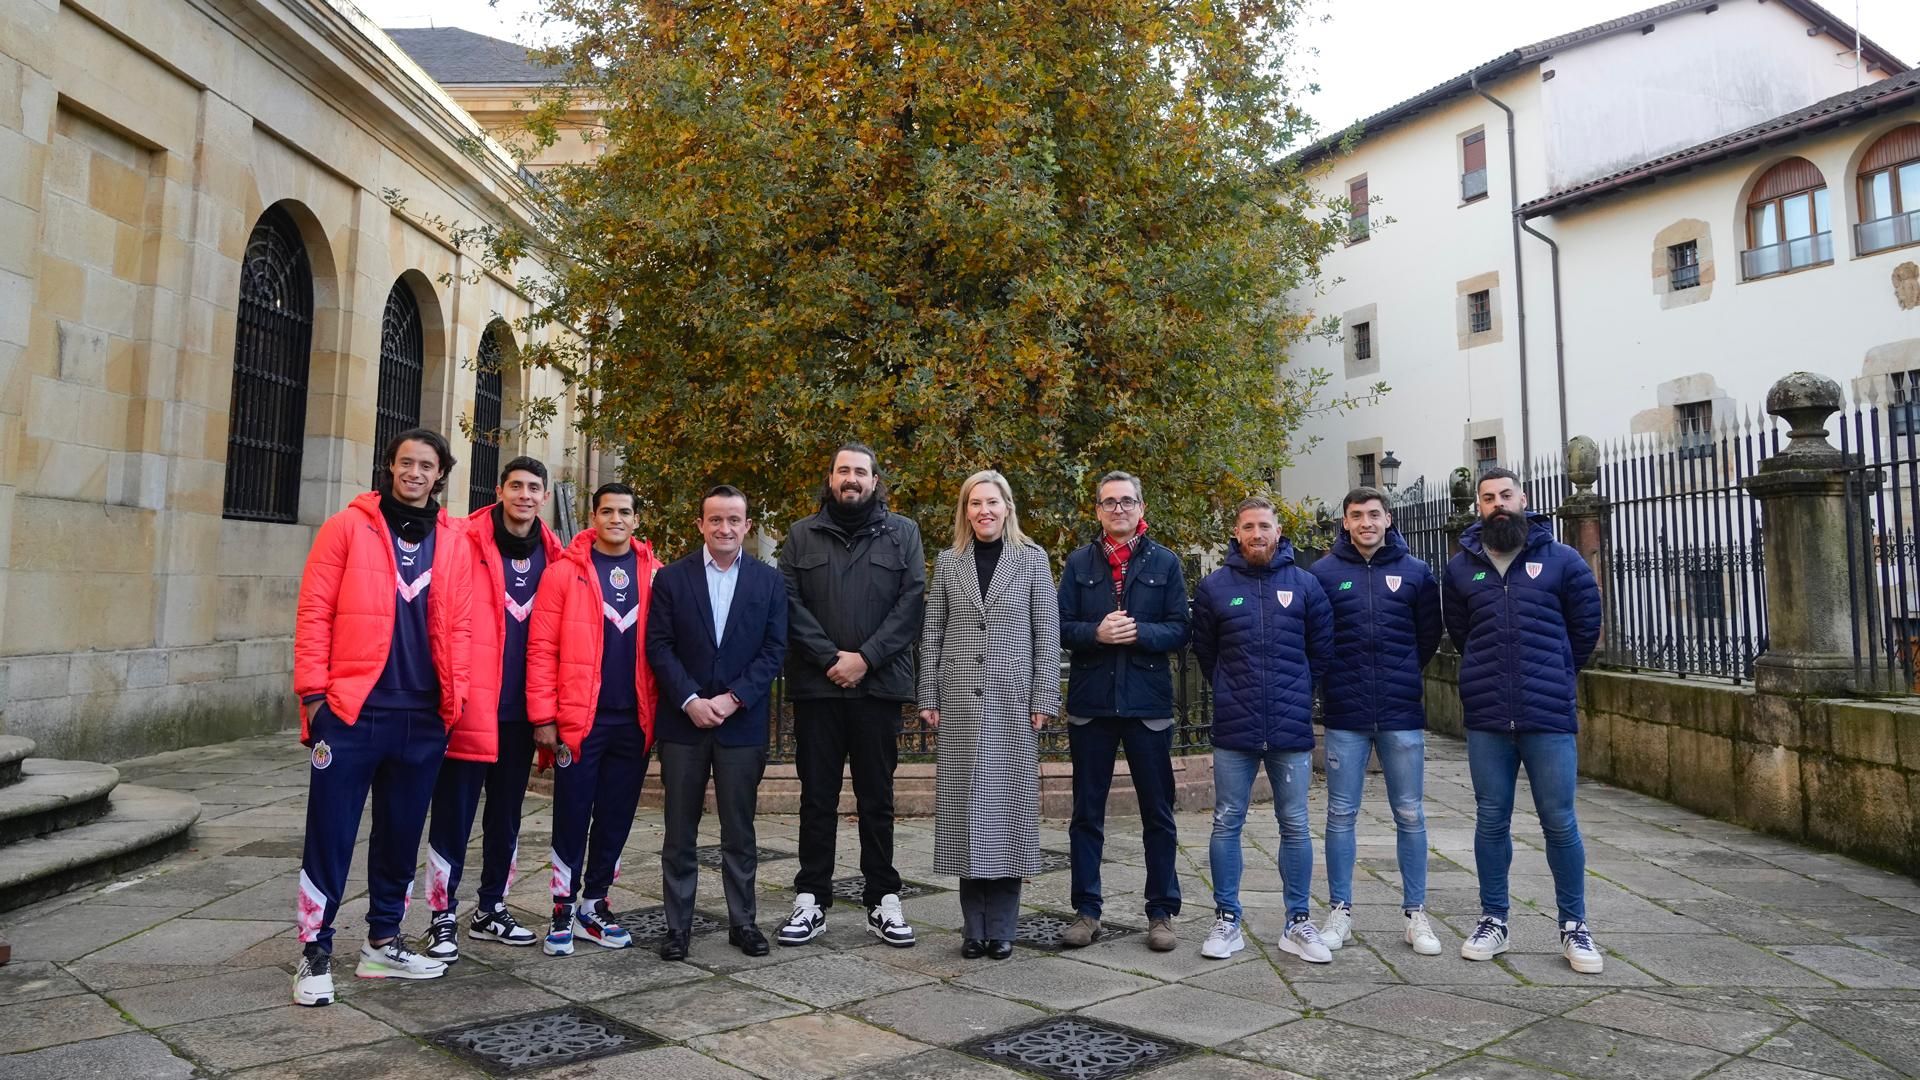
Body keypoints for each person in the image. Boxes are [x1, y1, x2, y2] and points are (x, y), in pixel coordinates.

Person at [290, 428, 472, 1006]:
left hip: (423, 716)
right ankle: (315, 953)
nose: (415, 473)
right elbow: (315, 609)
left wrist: (456, 700)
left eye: (427, 465)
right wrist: (314, 695)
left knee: (399, 835)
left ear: (440, 474)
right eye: (406, 463)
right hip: (352, 712)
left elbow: (462, 625)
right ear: (390, 467)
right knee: (331, 831)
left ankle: (382, 944)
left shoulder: (453, 539)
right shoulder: (347, 527)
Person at [1444, 467, 1605, 974]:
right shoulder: (1460, 568)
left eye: (1505, 495)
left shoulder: (1562, 561)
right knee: (1491, 820)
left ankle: (1574, 926)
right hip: (1489, 717)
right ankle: (1494, 919)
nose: (1497, 504)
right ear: (1479, 506)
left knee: (1559, 822)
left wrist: (1553, 671)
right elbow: (1462, 633)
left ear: (1524, 499)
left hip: (1548, 715)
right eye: (1488, 498)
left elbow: (1585, 629)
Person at [777, 444, 925, 948]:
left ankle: (882, 899)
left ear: (875, 480)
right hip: (818, 689)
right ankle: (811, 899)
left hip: (878, 688)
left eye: (860, 471)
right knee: (816, 799)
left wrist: (864, 658)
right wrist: (830, 659)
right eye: (843, 470)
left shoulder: (903, 534)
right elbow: (790, 604)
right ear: (831, 477)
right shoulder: (800, 535)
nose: (851, 479)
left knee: (877, 799)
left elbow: (911, 605)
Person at [419, 456, 565, 961]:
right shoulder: (462, 541)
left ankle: (491, 909)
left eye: (534, 488)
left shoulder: (555, 556)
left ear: (544, 497)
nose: (525, 495)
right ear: (500, 490)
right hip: (469, 708)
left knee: (506, 816)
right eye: (516, 485)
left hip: (521, 716)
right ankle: (441, 916)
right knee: (453, 815)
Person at [918, 470, 1062, 958]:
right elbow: (933, 631)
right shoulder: (949, 563)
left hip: (1011, 705)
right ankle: (971, 929)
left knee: (1007, 816)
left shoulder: (1032, 559)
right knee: (963, 818)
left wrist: (1044, 696)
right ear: (965, 510)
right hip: (959, 704)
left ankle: (1002, 927)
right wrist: (928, 695)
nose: (984, 510)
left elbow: (1047, 633)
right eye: (975, 503)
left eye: (992, 502)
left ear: (1007, 507)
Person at [646, 485, 789, 960]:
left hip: (740, 725)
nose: (724, 528)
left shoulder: (768, 583)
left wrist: (733, 699)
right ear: (700, 524)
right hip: (684, 724)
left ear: (747, 526)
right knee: (679, 832)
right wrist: (689, 699)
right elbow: (659, 646)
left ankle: (743, 923)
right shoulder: (670, 579)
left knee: (739, 831)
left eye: (734, 520)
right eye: (715, 520)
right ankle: (678, 928)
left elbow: (774, 650)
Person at [1191, 496, 1333, 963]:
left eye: (1265, 526)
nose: (1257, 534)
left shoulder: (1307, 585)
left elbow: (1322, 653)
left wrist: (1294, 694)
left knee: (1294, 824)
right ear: (1237, 533)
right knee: (1227, 820)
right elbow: (1207, 655)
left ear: (1278, 531)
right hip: (1236, 725)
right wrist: (1235, 690)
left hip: (1290, 727)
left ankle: (1297, 922)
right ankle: (1227, 919)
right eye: (1248, 526)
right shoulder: (1214, 588)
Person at [527, 481, 663, 956]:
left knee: (615, 816)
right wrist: (544, 716)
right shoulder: (564, 573)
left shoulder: (654, 574)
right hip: (578, 723)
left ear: (636, 518)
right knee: (570, 814)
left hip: (634, 721)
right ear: (594, 516)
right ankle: (561, 910)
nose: (616, 520)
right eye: (607, 511)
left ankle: (594, 905)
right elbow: (541, 648)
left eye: (625, 512)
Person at [1307, 486, 1444, 957]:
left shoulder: (1416, 573)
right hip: (1345, 713)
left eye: (1373, 514)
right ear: (1344, 522)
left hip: (1400, 712)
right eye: (1356, 515)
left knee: (1410, 813)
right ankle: (1340, 912)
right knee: (1340, 815)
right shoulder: (1322, 574)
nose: (1365, 522)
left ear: (1388, 519)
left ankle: (1416, 914)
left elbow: (1427, 637)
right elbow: (1317, 639)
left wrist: (1400, 674)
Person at [1056, 471, 1189, 952]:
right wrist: (1096, 632)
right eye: (1109, 502)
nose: (1118, 509)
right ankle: (1086, 911)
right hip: (1092, 704)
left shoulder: (1166, 562)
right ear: (1097, 510)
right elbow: (1060, 626)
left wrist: (1136, 633)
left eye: (1127, 501)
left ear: (1140, 507)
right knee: (1086, 814)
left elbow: (1179, 628)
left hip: (1147, 705)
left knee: (1158, 813)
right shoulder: (1077, 563)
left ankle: (1161, 914)